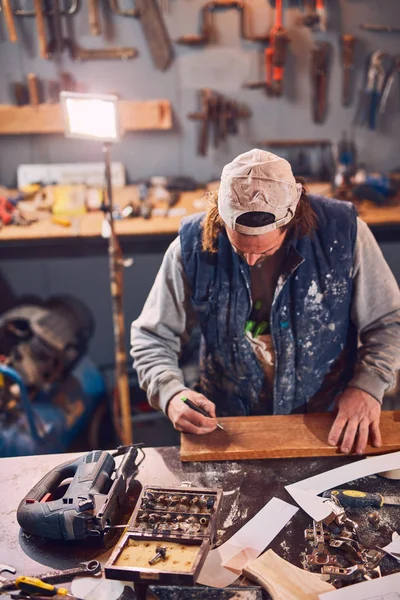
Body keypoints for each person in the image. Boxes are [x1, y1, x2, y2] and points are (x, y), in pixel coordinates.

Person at [131, 149, 400, 455]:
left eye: (265, 250)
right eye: (239, 247)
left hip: (327, 420)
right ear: (220, 216)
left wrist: (367, 386)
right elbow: (151, 337)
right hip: (230, 426)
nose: (250, 259)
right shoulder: (190, 246)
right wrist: (170, 392)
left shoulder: (344, 234)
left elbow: (388, 321)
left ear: (293, 219)